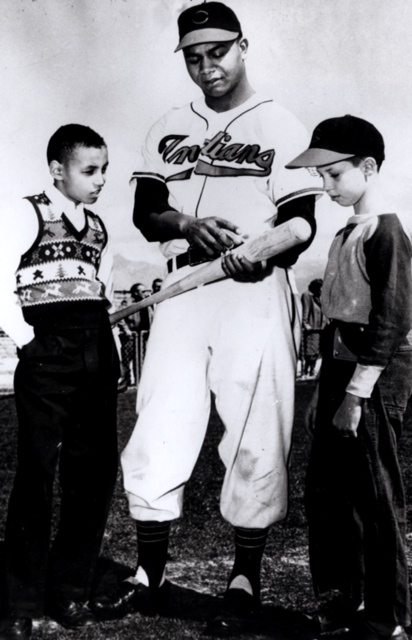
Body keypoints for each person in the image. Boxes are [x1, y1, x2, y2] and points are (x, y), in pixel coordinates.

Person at [92, 2, 322, 633]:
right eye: (193, 56)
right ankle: (149, 576)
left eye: (217, 51)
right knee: (161, 414)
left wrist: (262, 251)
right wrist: (188, 225)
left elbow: (301, 220)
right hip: (182, 288)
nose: (206, 66)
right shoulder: (170, 123)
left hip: (253, 288)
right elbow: (148, 210)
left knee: (255, 422)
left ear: (243, 46)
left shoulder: (280, 123)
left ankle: (244, 582)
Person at [286, 115, 412, 640]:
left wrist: (356, 396)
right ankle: (341, 600)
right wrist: (323, 392)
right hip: (340, 371)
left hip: (375, 377)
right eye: (321, 175)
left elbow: (392, 319)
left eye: (335, 175)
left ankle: (387, 619)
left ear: (369, 167)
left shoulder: (386, 230)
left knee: (375, 494)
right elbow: (337, 320)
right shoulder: (345, 233)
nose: (325, 185)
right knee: (327, 492)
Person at [0, 124, 120, 640]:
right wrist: (25, 341)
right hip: (47, 355)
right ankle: (19, 603)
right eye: (89, 171)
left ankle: (69, 589)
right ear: (57, 169)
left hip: (97, 350)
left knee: (91, 478)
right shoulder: (25, 212)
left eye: (104, 171)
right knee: (35, 478)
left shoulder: (98, 226)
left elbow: (103, 289)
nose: (99, 182)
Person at [299, 278, 326, 378]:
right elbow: (305, 312)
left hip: (321, 329)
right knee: (310, 351)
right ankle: (306, 370)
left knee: (317, 351)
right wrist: (306, 324)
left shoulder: (321, 296)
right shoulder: (307, 295)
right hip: (311, 329)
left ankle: (312, 371)